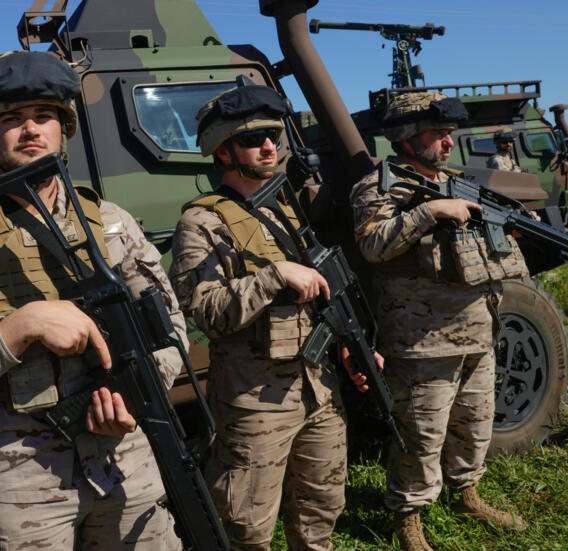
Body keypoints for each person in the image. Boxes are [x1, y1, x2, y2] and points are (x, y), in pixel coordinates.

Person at [0, 51, 185, 551]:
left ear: (62, 128)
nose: (30, 130)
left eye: (43, 116)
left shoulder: (112, 223)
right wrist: (17, 327)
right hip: (21, 484)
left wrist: (136, 393)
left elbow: (171, 331)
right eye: (11, 119)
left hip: (127, 462)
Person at [169, 85, 379, 551]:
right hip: (255, 404)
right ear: (222, 151)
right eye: (254, 138)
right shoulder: (201, 223)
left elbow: (323, 294)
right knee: (246, 528)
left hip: (320, 391)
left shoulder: (285, 206)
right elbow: (205, 313)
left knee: (321, 511)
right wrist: (273, 277)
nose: (270, 146)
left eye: (274, 135)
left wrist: (350, 344)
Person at [350, 92, 529, 551]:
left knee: (475, 424)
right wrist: (429, 212)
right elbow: (373, 246)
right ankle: (409, 517)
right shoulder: (380, 187)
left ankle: (467, 492)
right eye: (437, 135)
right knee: (421, 435)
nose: (448, 144)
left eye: (450, 135)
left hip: (477, 331)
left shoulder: (457, 182)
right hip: (421, 339)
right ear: (407, 138)